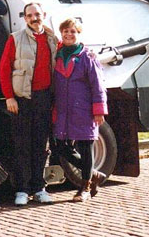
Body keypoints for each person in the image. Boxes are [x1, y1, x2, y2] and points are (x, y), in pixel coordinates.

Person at [0, 2, 58, 206]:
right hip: (22, 99)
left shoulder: (52, 39)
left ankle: (39, 188)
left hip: (44, 98)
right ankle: (22, 190)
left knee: (41, 145)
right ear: (24, 18)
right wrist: (9, 97)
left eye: (37, 14)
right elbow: (4, 69)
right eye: (30, 15)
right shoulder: (15, 38)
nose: (34, 18)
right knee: (22, 145)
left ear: (44, 15)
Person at [53, 18, 108, 202]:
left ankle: (85, 187)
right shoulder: (58, 55)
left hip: (83, 109)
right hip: (63, 109)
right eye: (65, 31)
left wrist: (99, 109)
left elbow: (97, 84)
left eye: (72, 31)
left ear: (78, 33)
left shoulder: (88, 57)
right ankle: (94, 174)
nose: (69, 34)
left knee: (86, 148)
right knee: (61, 146)